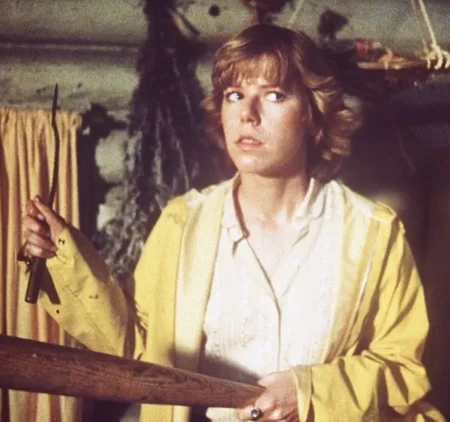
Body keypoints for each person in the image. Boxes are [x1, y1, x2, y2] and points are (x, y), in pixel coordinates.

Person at [21, 24, 441, 422]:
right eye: (235, 95)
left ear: (311, 116)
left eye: (274, 95)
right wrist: (63, 257)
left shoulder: (371, 232)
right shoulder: (183, 223)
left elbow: (401, 366)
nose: (248, 114)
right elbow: (142, 348)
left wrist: (308, 390)